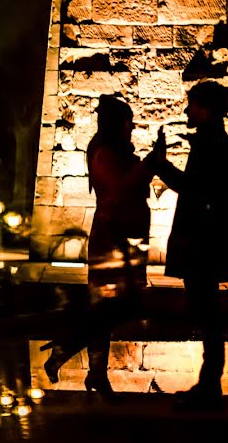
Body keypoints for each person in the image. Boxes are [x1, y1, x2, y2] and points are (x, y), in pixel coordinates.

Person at [42, 96, 155, 401]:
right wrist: (150, 164)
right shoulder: (104, 153)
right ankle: (71, 353)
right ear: (116, 123)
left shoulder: (114, 151)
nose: (131, 127)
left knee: (110, 308)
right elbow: (119, 190)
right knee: (116, 307)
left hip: (123, 239)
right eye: (127, 121)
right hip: (112, 240)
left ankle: (88, 366)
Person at [151, 81, 228, 412]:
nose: (188, 111)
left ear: (208, 108)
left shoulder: (212, 144)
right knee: (205, 313)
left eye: (193, 105)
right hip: (204, 240)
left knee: (207, 313)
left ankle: (209, 388)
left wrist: (162, 166)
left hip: (202, 242)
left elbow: (196, 190)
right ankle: (208, 385)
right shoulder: (213, 141)